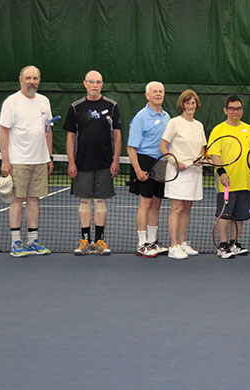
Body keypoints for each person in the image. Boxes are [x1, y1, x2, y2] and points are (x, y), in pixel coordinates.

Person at [64, 70, 121, 256]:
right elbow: (71, 137)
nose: (95, 85)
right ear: (85, 84)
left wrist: (116, 160)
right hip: (82, 164)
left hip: (105, 164)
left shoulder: (112, 106)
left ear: (102, 84)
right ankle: (85, 241)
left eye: (98, 82)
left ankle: (99, 241)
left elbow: (117, 135)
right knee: (84, 201)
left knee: (100, 201)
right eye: (91, 82)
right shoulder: (75, 107)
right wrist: (71, 162)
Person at [0, 65, 54, 257]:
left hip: (40, 160)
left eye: (35, 78)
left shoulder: (44, 101)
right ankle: (16, 242)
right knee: (16, 200)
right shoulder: (11, 102)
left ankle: (32, 240)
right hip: (18, 161)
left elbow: (48, 130)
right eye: (28, 78)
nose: (32, 82)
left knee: (34, 200)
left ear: (39, 80)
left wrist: (49, 156)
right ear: (21, 80)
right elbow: (3, 132)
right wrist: (6, 160)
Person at [208, 95, 250, 259]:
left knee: (240, 215)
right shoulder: (219, 130)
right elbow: (215, 154)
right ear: (225, 110)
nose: (236, 111)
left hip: (246, 181)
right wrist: (221, 173)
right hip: (227, 182)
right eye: (232, 108)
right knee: (225, 215)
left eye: (239, 108)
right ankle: (222, 246)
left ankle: (233, 243)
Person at [159, 89, 207, 260]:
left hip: (194, 172)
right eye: (187, 103)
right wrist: (175, 163)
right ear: (182, 104)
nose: (190, 106)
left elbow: (202, 149)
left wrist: (201, 159)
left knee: (187, 208)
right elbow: (163, 147)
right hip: (178, 172)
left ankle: (182, 242)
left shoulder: (199, 125)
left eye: (193, 103)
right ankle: (173, 245)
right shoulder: (174, 123)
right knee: (177, 208)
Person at [127, 81, 170, 257]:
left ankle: (152, 242)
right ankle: (142, 243)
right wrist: (138, 169)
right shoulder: (141, 117)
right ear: (147, 95)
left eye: (160, 91)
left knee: (156, 203)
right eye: (154, 92)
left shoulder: (167, 116)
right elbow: (131, 147)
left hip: (161, 163)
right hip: (144, 161)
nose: (158, 94)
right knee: (145, 203)